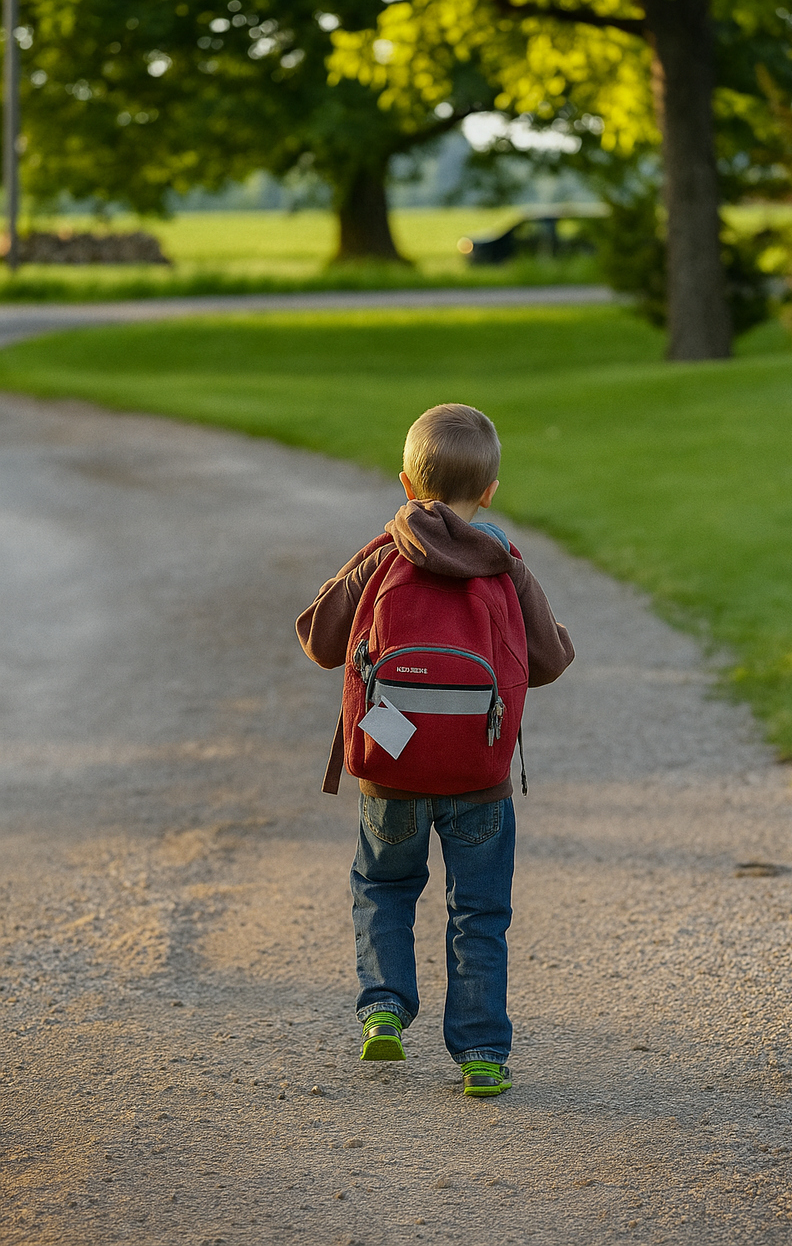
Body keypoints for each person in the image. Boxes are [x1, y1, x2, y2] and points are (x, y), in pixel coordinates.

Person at [296, 403, 573, 1096]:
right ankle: (480, 1054)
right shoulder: (503, 564)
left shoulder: (383, 553)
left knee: (383, 887)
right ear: (489, 492)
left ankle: (384, 1009)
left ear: (405, 483)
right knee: (478, 913)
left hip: (390, 774)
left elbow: (319, 640)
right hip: (478, 779)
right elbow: (549, 661)